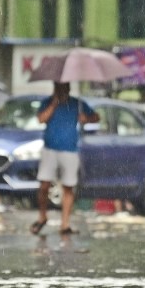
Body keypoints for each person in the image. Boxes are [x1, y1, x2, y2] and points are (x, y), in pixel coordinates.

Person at [30, 82, 100, 235]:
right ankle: (42, 216)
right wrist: (54, 104)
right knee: (44, 185)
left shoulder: (77, 104)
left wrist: (86, 118)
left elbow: (96, 117)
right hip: (50, 149)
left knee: (68, 186)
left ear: (68, 89)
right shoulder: (47, 102)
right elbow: (41, 119)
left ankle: (65, 223)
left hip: (70, 149)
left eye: (63, 88)